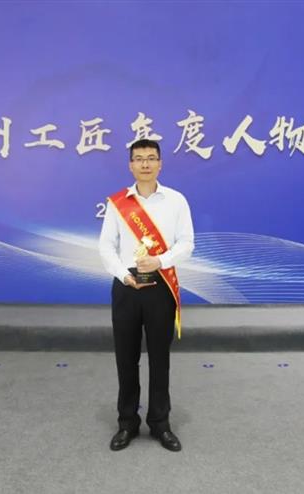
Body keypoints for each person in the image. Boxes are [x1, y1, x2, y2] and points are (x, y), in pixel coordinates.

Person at [98, 138, 194, 452]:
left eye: (151, 158)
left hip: (160, 286)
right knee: (126, 359)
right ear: (130, 165)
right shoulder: (117, 203)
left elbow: (186, 243)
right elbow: (106, 246)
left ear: (160, 163)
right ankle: (127, 423)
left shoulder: (176, 200)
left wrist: (160, 261)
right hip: (126, 287)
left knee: (160, 359)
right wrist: (123, 274)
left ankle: (160, 423)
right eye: (139, 158)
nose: (145, 164)